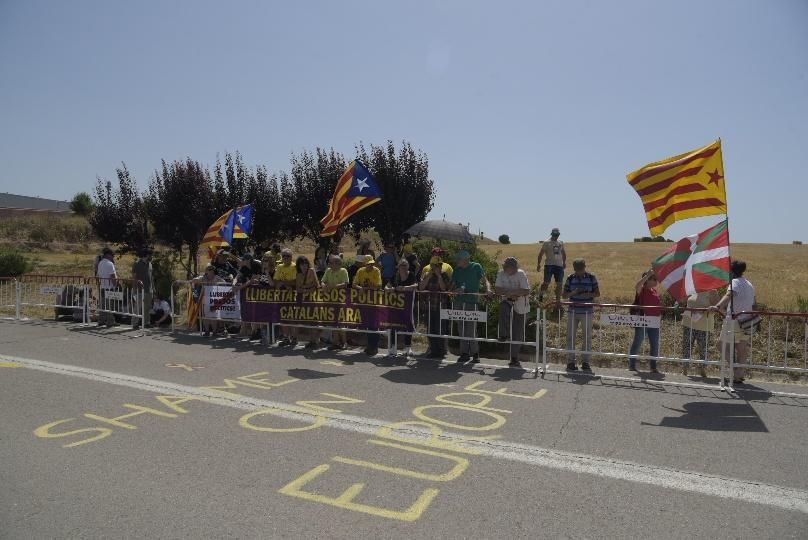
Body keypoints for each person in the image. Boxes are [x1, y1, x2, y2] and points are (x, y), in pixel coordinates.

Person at [711, 260, 756, 384]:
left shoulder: (734, 282)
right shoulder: (749, 284)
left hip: (734, 320)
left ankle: (735, 371)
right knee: (742, 348)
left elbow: (729, 294)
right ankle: (740, 374)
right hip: (747, 320)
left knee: (721, 345)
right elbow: (753, 303)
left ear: (732, 272)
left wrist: (717, 306)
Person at [451, 250, 491, 364]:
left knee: (471, 329)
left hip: (472, 302)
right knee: (461, 328)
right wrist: (456, 290)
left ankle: (475, 353)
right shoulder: (457, 270)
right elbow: (451, 287)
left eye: (458, 259)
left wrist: (488, 289)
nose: (457, 261)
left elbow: (485, 280)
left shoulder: (476, 266)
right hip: (459, 302)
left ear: (465, 260)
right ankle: (464, 353)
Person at [561, 259, 600, 371]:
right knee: (570, 337)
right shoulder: (570, 278)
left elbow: (597, 293)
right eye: (577, 270)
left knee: (587, 337)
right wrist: (574, 293)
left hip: (587, 312)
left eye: (581, 269)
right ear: (574, 269)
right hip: (572, 311)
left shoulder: (592, 277)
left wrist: (587, 293)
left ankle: (585, 362)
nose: (579, 272)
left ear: (584, 267)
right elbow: (564, 295)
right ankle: (570, 362)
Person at [494, 257, 531, 368]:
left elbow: (526, 290)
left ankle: (514, 357)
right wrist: (511, 293)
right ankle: (503, 334)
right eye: (505, 267)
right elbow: (497, 289)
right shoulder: (501, 274)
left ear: (514, 267)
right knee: (503, 309)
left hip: (521, 304)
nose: (507, 269)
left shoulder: (521, 274)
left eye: (509, 267)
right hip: (507, 300)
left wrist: (512, 293)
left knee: (517, 331)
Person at [628, 270, 663, 374]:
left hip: (654, 322)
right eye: (654, 279)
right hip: (643, 321)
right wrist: (647, 275)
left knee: (655, 345)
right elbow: (637, 286)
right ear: (647, 280)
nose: (656, 281)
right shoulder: (642, 290)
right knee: (637, 343)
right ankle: (632, 365)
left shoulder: (655, 291)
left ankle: (653, 367)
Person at [681, 289, 720, 377]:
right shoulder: (692, 288)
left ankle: (703, 369)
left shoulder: (712, 290)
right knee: (687, 346)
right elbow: (682, 300)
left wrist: (703, 310)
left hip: (704, 326)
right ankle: (685, 369)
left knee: (703, 348)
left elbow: (717, 307)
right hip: (689, 323)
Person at [419, 256, 450, 358]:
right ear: (431, 266)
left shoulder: (444, 275)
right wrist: (428, 276)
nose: (438, 267)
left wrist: (439, 276)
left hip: (441, 307)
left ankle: (441, 351)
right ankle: (433, 350)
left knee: (440, 329)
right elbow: (421, 287)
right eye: (436, 265)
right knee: (430, 329)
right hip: (429, 307)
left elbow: (444, 288)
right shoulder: (427, 274)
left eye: (439, 265)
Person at [353, 255, 383, 356]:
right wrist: (360, 288)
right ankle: (370, 345)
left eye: (372, 263)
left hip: (374, 302)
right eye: (368, 264)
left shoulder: (376, 271)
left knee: (373, 324)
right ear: (364, 264)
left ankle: (374, 347)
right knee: (367, 324)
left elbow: (378, 286)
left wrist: (366, 288)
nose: (371, 265)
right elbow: (354, 284)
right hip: (364, 302)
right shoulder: (360, 271)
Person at [388, 258, 418, 356]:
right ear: (398, 267)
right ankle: (393, 346)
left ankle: (408, 347)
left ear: (408, 266)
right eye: (401, 265)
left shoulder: (411, 275)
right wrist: (391, 289)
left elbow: (416, 285)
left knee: (407, 325)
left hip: (408, 306)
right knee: (394, 325)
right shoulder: (395, 276)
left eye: (405, 265)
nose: (403, 267)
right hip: (396, 306)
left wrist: (405, 288)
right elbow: (386, 287)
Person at [321, 255, 349, 350]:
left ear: (338, 264)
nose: (330, 264)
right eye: (330, 263)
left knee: (341, 322)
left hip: (341, 300)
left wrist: (333, 287)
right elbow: (323, 281)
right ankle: (335, 342)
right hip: (330, 300)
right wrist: (323, 286)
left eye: (331, 263)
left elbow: (345, 284)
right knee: (333, 322)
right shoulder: (328, 270)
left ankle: (344, 342)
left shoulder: (343, 271)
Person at [193, 264, 226, 337]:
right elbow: (195, 280)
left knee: (213, 316)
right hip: (205, 299)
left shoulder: (217, 278)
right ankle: (207, 331)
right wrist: (195, 280)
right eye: (208, 269)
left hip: (214, 299)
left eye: (211, 269)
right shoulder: (203, 277)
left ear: (213, 271)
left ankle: (214, 331)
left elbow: (224, 283)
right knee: (205, 316)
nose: (210, 271)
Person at [296, 256, 321, 348]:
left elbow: (316, 284)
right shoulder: (298, 275)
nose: (304, 266)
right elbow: (298, 288)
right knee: (308, 320)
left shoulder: (311, 271)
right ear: (299, 265)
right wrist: (307, 288)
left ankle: (316, 340)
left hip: (313, 299)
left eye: (305, 264)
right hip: (304, 300)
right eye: (302, 264)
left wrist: (305, 288)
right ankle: (311, 340)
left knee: (314, 320)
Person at [537, 227, 566, 304]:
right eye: (554, 234)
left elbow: (563, 253)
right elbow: (541, 254)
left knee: (559, 284)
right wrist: (538, 264)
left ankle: (558, 301)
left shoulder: (561, 242)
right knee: (546, 283)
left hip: (559, 266)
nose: (556, 236)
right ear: (551, 234)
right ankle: (541, 297)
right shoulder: (546, 242)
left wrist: (564, 262)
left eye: (557, 234)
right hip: (549, 265)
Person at [96, 246, 118, 327]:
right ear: (108, 255)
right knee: (109, 306)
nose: (113, 257)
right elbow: (112, 276)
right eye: (112, 255)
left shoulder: (100, 263)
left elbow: (98, 275)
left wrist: (99, 285)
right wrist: (115, 285)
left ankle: (101, 320)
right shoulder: (110, 264)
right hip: (109, 287)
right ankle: (110, 321)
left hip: (102, 287)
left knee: (103, 305)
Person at [131, 248, 153, 329]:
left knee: (147, 307)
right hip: (139, 290)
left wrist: (153, 288)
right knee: (137, 307)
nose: (151, 257)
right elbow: (134, 277)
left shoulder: (150, 264)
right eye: (150, 255)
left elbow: (151, 277)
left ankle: (146, 323)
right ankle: (135, 323)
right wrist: (134, 289)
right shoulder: (137, 264)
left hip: (148, 289)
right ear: (146, 255)